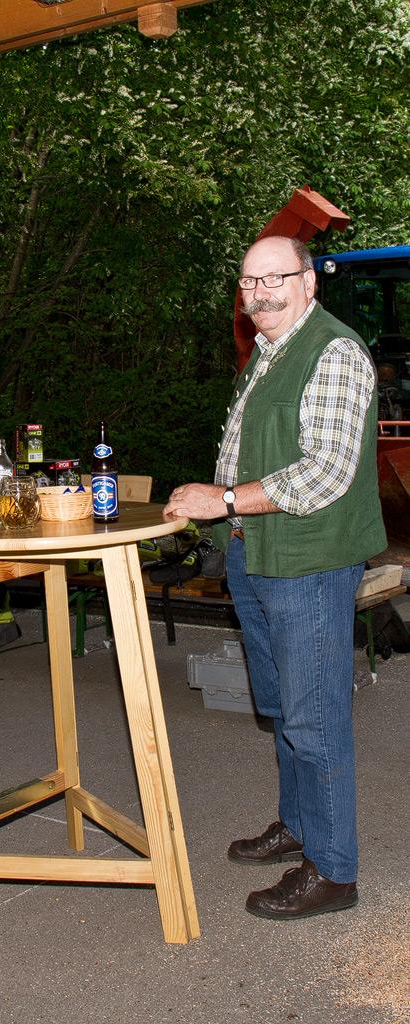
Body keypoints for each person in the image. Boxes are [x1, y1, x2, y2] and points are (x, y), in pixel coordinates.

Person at [164, 236, 386, 921]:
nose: (259, 293)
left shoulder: (333, 351)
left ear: (307, 283)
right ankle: (298, 826)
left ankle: (333, 870)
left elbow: (324, 472)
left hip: (307, 561)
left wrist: (224, 500)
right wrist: (219, 512)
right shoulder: (267, 353)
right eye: (248, 281)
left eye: (274, 278)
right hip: (253, 550)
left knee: (314, 717)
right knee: (284, 707)